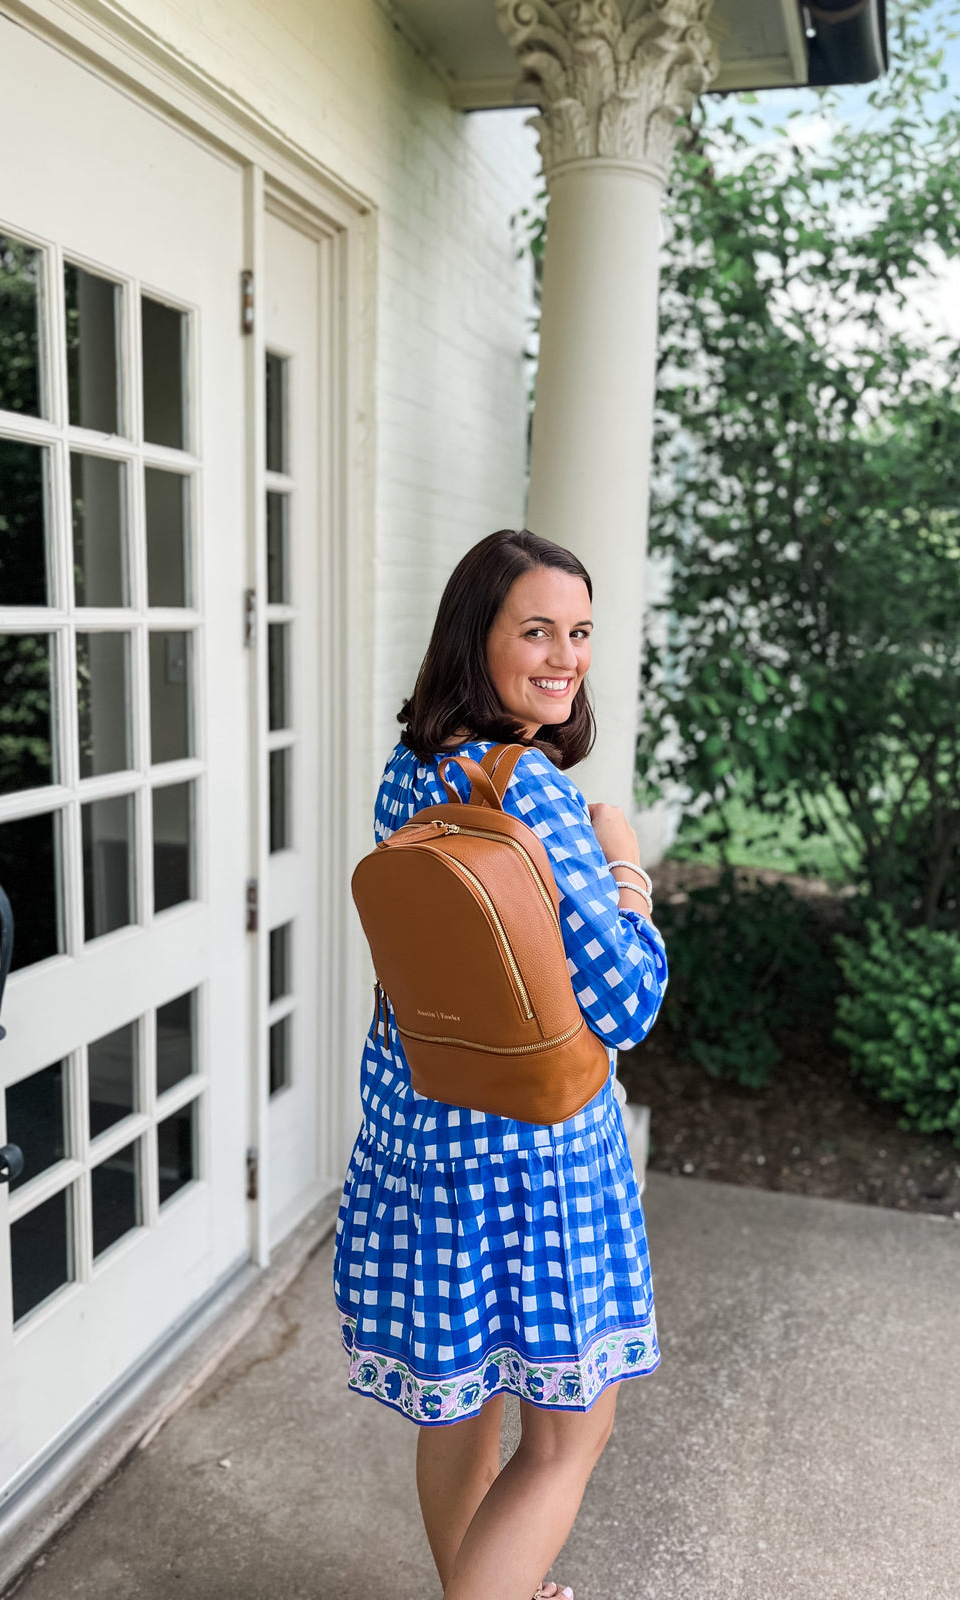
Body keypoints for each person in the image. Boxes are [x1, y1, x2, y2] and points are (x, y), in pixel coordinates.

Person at [333, 528, 668, 1600]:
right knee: (570, 1438)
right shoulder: (533, 790)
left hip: (419, 1129)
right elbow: (626, 999)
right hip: (535, 1154)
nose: (565, 656)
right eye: (536, 630)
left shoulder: (412, 773)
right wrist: (625, 859)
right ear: (475, 640)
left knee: (459, 1406)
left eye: (578, 632)